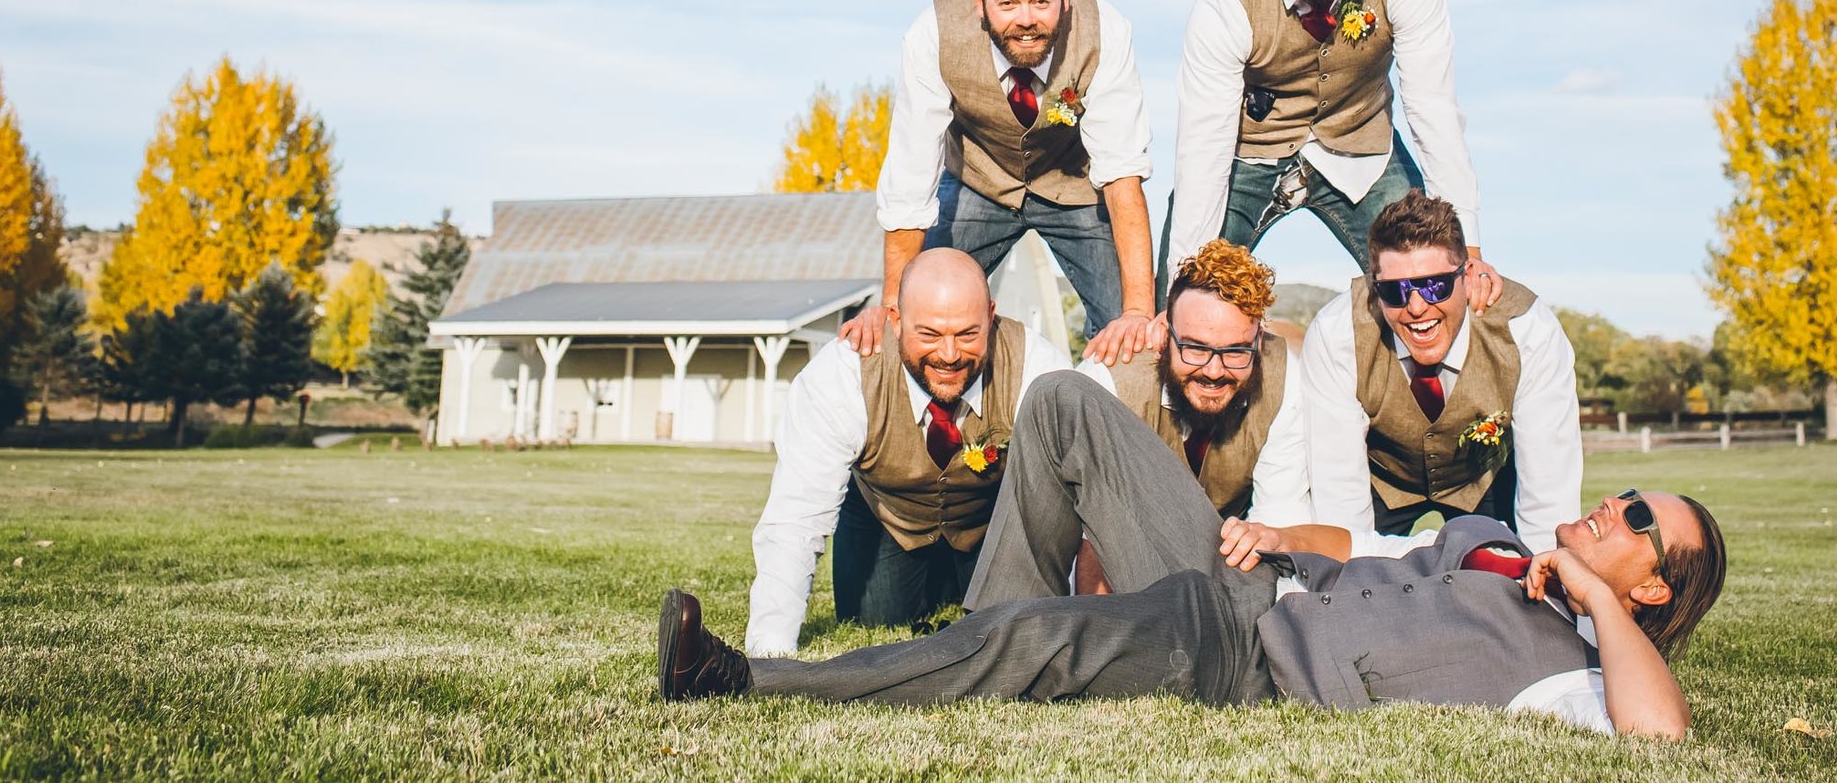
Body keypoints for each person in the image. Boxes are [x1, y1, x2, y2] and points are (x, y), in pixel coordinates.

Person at [663, 372, 1724, 738]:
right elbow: (1360, 543)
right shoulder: (1489, 541)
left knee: (1042, 642)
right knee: (1065, 403)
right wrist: (1275, 536)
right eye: (1625, 497)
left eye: (1638, 522)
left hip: (1251, 656)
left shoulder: (1574, 665)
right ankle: (971, 639)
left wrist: (1591, 596)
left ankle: (739, 678)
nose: (1611, 509)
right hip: (1257, 581)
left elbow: (1661, 732)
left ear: (1655, 585)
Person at [1168, 0, 1493, 286]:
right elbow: (1202, 145)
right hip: (1251, 153)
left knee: (1436, 280)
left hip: (1364, 144)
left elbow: (1433, 109)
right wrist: (1185, 282)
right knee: (1188, 294)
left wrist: (1467, 251)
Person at [840, 0, 1157, 367]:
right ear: (979, 3)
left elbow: (1123, 173)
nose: (1025, 19)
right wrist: (893, 305)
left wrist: (1139, 312)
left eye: (1040, 1)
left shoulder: (1106, 31)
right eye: (1007, 2)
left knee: (1132, 328)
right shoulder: (933, 33)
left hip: (1076, 186)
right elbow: (910, 178)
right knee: (922, 314)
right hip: (977, 181)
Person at [746, 249, 1070, 656]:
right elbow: (794, 521)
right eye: (930, 335)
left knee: (1005, 624)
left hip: (988, 523)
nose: (949, 355)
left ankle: (957, 577)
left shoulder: (1037, 367)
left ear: (991, 316)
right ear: (895, 320)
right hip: (887, 516)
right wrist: (770, 652)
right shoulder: (841, 376)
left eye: (968, 334)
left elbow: (1070, 500)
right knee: (875, 619)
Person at [1299, 192, 1582, 552]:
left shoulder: (1529, 330)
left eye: (1435, 286)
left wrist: (1544, 584)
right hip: (1381, 480)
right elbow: (1339, 501)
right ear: (1375, 286)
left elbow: (1549, 495)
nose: (1416, 307)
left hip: (1483, 478)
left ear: (1467, 276)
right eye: (1394, 291)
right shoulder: (1337, 333)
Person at [1070, 240, 1308, 591]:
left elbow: (1279, 519)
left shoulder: (1284, 375)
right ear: (1165, 335)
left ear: (1258, 341)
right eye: (1195, 348)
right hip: (1117, 561)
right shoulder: (1108, 380)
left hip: (1226, 562)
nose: (1213, 371)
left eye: (1235, 351)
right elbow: (1082, 533)